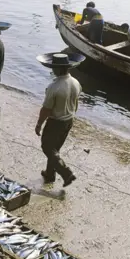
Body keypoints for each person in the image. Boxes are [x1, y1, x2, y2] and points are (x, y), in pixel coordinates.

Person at [35, 52, 85, 187]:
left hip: (56, 122)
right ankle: (50, 174)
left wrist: (39, 124)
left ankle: (66, 173)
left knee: (47, 147)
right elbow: (76, 102)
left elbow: (46, 109)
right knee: (55, 149)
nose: (52, 70)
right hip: (69, 120)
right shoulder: (76, 83)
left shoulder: (54, 87)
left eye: (53, 67)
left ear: (57, 69)